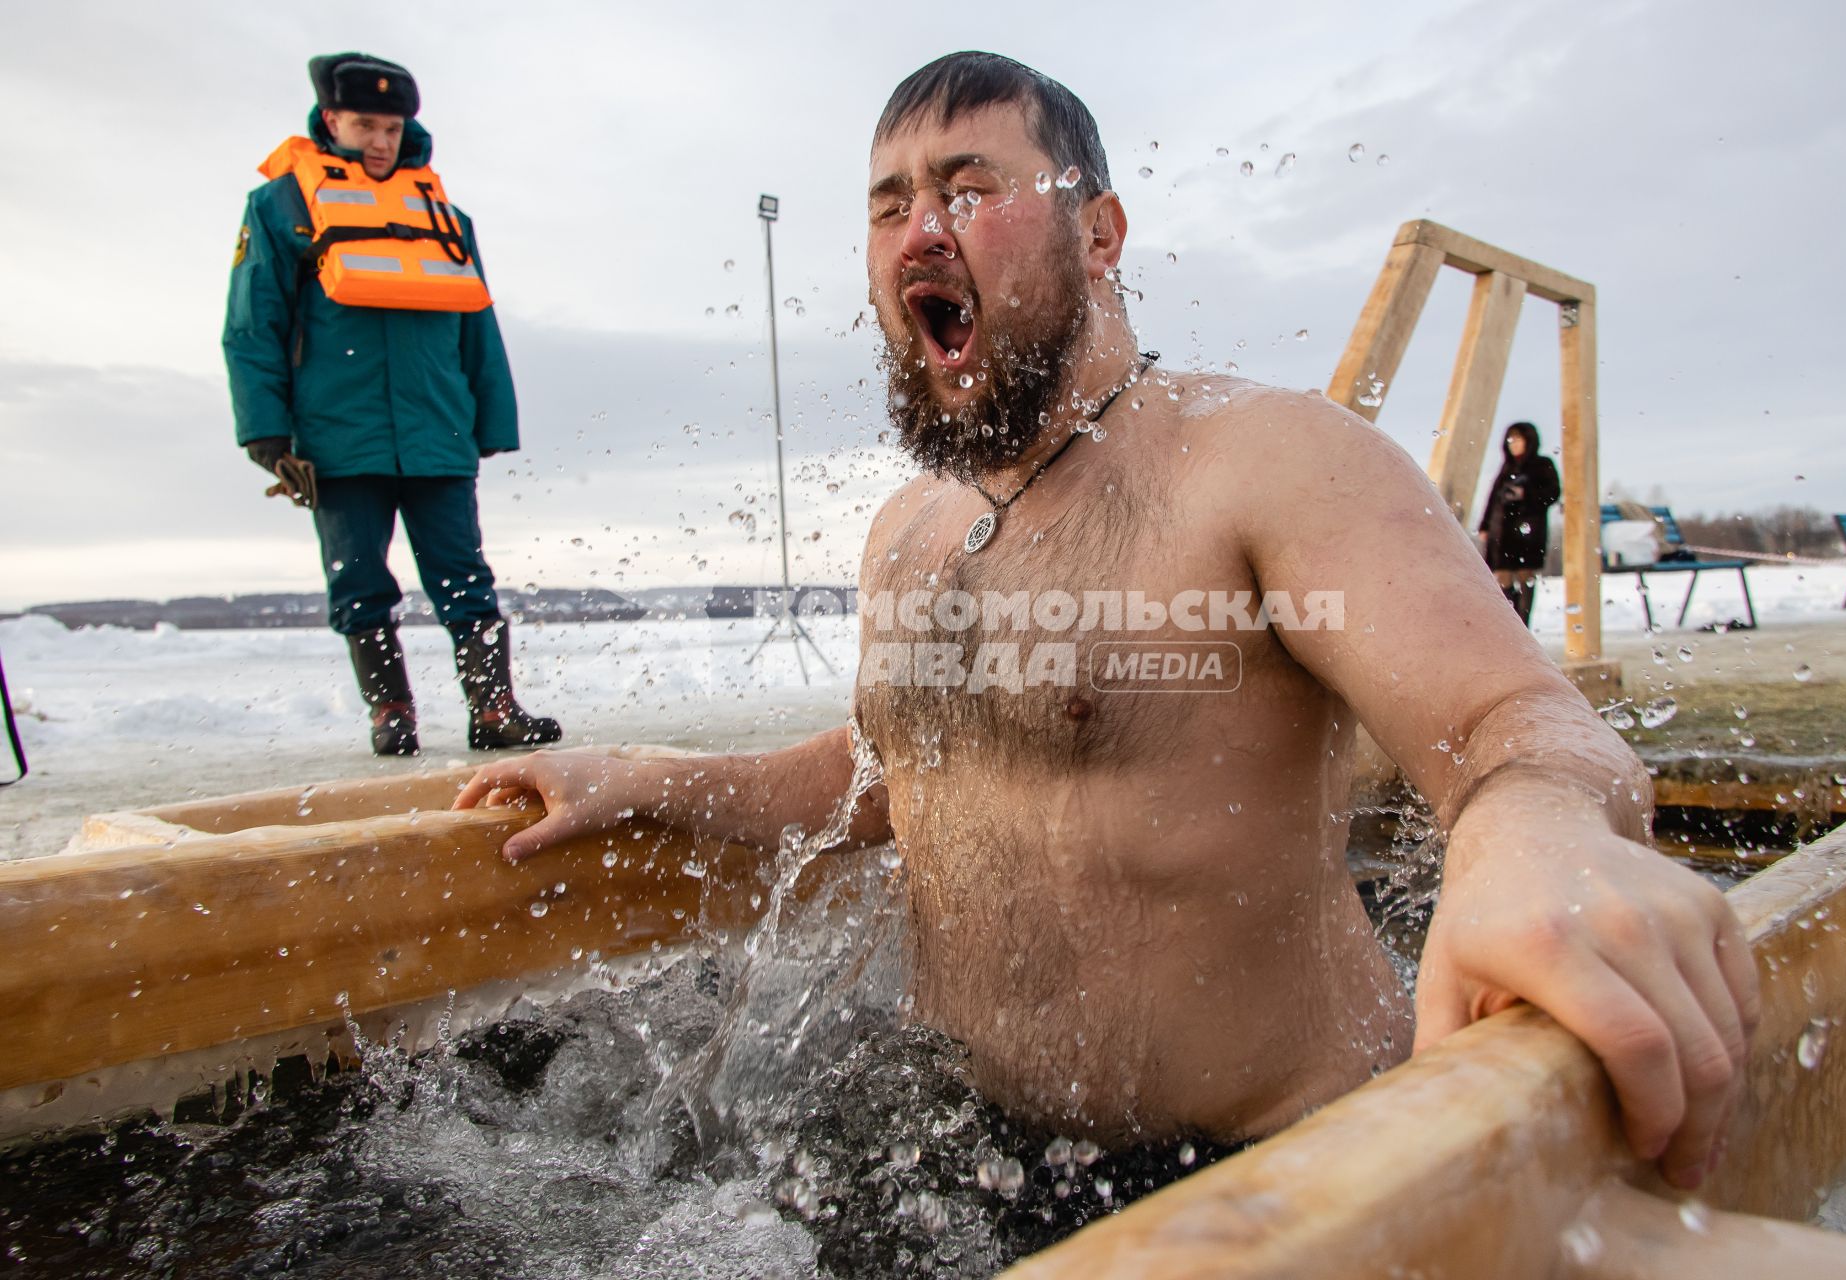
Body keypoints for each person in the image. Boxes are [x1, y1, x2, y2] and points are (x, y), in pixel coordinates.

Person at [458, 52, 1756, 1192]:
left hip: (1290, 1166)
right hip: (973, 1155)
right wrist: (649, 781)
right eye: (890, 204)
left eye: (968, 190)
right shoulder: (907, 533)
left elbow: (1520, 725)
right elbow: (882, 782)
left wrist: (1530, 835)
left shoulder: (1269, 461)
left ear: (1101, 231)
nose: (921, 231)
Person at [223, 52, 560, 756]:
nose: (381, 142)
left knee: (464, 576)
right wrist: (267, 432)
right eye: (366, 125)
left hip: (438, 429)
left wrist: (490, 421)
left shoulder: (446, 216)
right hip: (338, 437)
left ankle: (493, 708)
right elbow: (253, 325)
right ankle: (392, 712)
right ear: (331, 120)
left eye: (393, 126)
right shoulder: (280, 207)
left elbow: (479, 327)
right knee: (359, 581)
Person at [1477, 421, 1561, 624]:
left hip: (1527, 532)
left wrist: (1526, 494)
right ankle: (1511, 621)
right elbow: (1493, 499)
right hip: (1502, 532)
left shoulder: (1542, 465)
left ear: (1529, 441)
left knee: (1525, 576)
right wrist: (1485, 525)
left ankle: (1524, 622)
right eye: (1510, 440)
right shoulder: (1506, 468)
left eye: (1518, 440)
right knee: (1502, 577)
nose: (1513, 444)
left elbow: (1552, 493)